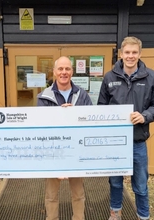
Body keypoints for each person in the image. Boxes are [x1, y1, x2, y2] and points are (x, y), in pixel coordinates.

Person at [97, 36, 154, 220]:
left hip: (137, 141)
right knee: (115, 181)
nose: (130, 56)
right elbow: (101, 107)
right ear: (121, 54)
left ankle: (143, 216)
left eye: (134, 52)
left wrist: (145, 116)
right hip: (115, 142)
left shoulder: (152, 77)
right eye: (127, 52)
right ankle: (115, 213)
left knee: (141, 184)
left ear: (140, 54)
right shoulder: (109, 77)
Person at [37, 56, 93, 220]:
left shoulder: (82, 95)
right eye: (60, 69)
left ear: (72, 71)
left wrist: (75, 115)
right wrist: (60, 115)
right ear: (54, 72)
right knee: (51, 195)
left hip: (76, 152)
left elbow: (89, 122)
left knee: (78, 193)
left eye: (67, 69)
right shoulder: (44, 96)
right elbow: (41, 127)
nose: (64, 72)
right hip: (53, 153)